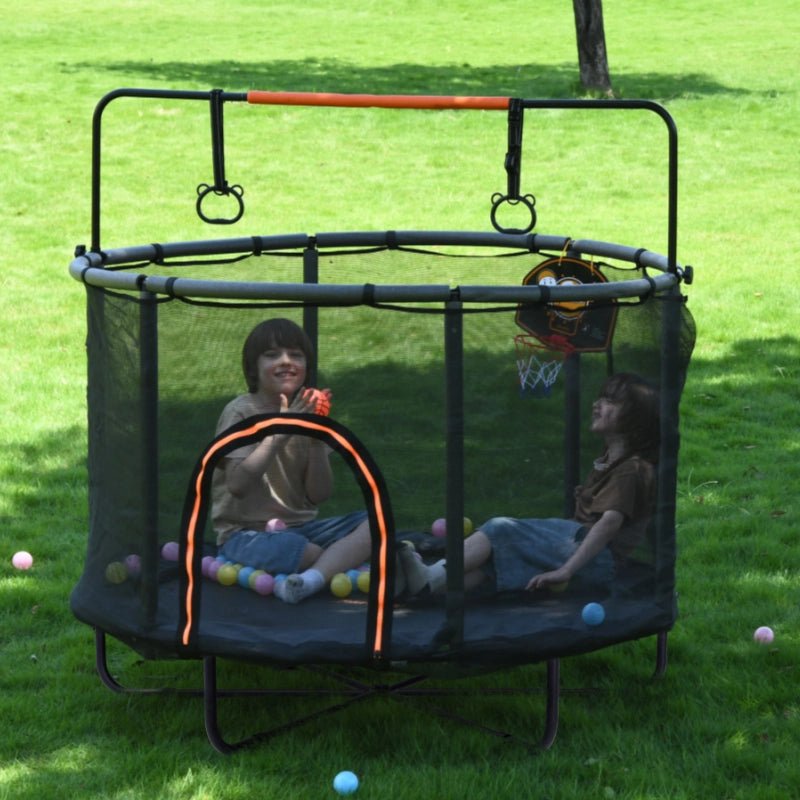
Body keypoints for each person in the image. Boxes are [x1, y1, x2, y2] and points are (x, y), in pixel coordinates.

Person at [399, 372, 660, 598]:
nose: (597, 404)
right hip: (585, 552)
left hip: (596, 560)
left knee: (500, 529)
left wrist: (566, 569)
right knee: (491, 564)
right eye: (600, 397)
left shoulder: (632, 470)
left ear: (634, 418)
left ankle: (431, 575)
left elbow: (608, 524)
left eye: (610, 401)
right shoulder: (608, 460)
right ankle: (422, 588)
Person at [211, 318, 375, 604]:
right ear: (253, 368)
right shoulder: (240, 412)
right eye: (272, 355)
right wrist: (282, 428)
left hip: (303, 527)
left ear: (307, 367)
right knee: (304, 552)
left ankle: (309, 581)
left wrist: (313, 435)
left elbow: (318, 495)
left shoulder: (309, 412)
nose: (286, 361)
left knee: (378, 522)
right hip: (246, 535)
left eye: (296, 355)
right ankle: (333, 564)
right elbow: (238, 485)